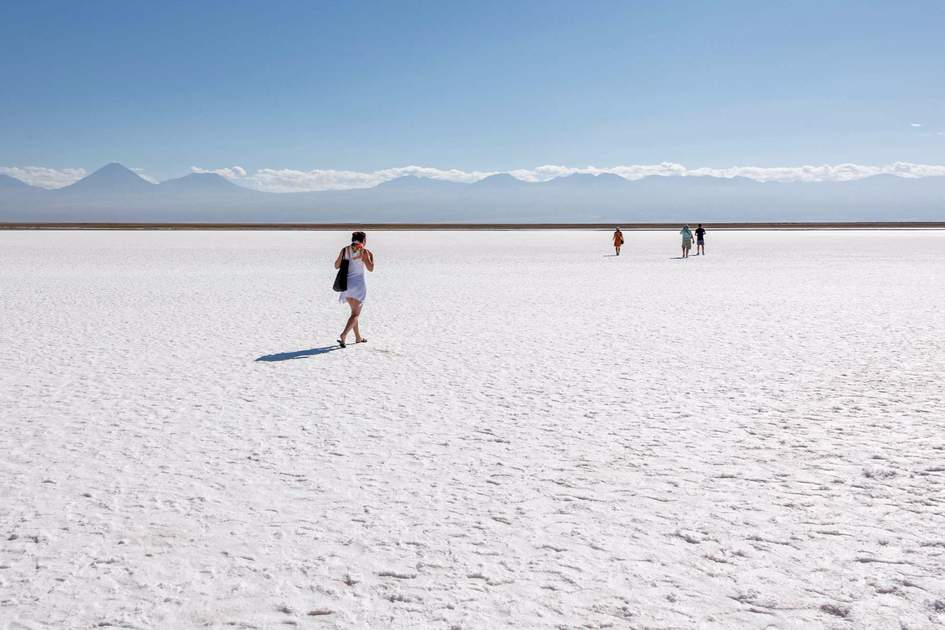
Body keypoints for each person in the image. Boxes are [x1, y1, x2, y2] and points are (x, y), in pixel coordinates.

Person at [334, 231, 374, 348]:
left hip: (346, 286)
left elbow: (336, 266)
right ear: (364, 240)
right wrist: (369, 258)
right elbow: (370, 268)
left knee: (353, 313)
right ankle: (344, 334)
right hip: (358, 286)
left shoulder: (345, 250)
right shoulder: (365, 252)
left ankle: (358, 337)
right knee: (356, 314)